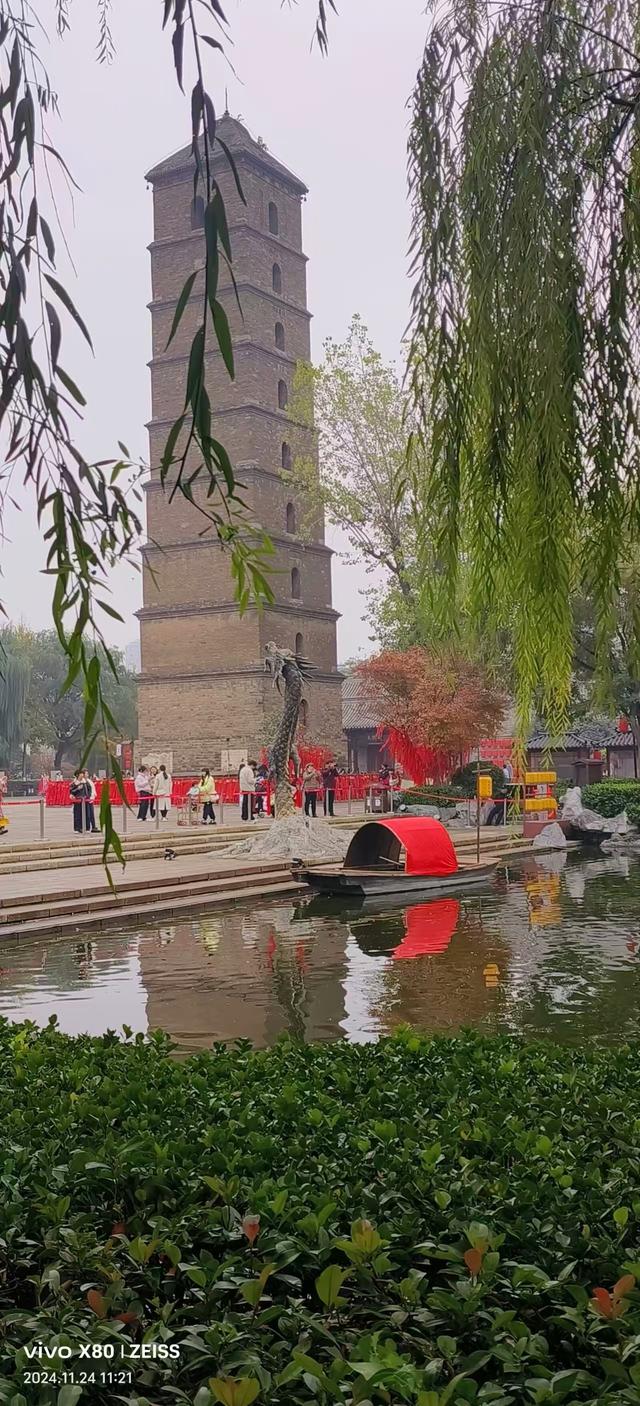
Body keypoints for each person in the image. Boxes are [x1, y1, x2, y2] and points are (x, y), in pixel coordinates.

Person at [69, 769, 88, 834]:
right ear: (77, 775)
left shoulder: (84, 782)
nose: (82, 775)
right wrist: (78, 788)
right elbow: (71, 791)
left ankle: (83, 827)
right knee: (77, 815)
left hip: (84, 800)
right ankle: (77, 828)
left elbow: (87, 790)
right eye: (81, 774)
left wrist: (87, 796)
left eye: (82, 774)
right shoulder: (74, 783)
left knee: (83, 815)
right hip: (77, 800)